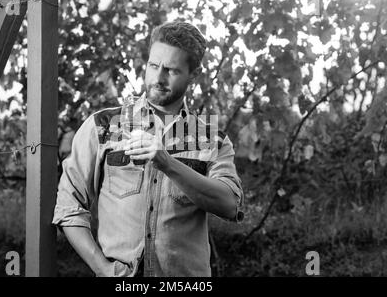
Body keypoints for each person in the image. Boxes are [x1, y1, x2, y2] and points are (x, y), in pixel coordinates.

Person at [52, 21, 244, 277]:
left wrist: (168, 163)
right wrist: (104, 270)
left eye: (172, 70)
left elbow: (229, 205)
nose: (158, 78)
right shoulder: (103, 126)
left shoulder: (210, 136)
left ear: (193, 75)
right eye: (153, 66)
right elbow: (69, 207)